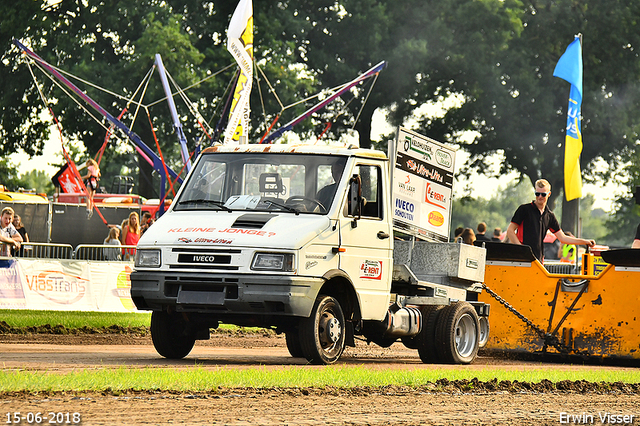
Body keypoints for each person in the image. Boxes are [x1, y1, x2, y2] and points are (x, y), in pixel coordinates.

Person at [506, 179, 595, 262]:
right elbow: (510, 231)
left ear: (549, 194)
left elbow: (563, 238)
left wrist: (584, 241)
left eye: (543, 194)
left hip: (538, 260)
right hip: (522, 259)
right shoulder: (524, 209)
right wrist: (522, 249)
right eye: (537, 194)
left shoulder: (549, 216)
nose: (540, 197)